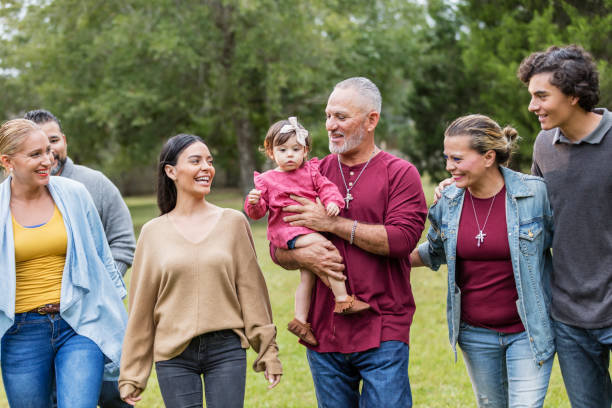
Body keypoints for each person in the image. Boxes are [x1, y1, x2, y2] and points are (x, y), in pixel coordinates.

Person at [272, 77, 427, 407]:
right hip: (324, 332)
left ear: (372, 120)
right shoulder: (311, 171)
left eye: (341, 117)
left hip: (383, 326)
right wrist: (304, 256)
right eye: (328, 116)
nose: (330, 125)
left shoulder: (401, 174)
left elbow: (400, 240)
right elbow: (277, 248)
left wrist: (332, 224)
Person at [119, 134, 282, 407]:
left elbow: (252, 292)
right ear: (171, 171)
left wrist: (268, 352)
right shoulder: (152, 233)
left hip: (226, 349)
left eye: (209, 161)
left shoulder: (233, 223)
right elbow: (141, 310)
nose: (206, 167)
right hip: (173, 355)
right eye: (195, 161)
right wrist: (132, 374)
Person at [410, 114, 555, 407]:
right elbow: (435, 251)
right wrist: (385, 255)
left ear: (488, 157)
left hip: (528, 331)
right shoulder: (447, 201)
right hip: (475, 335)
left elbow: (562, 248)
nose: (449, 166)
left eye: (458, 158)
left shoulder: (534, 193)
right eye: (447, 158)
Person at [0, 119, 128, 407]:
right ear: (7, 161)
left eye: (47, 150)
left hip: (78, 323)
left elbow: (102, 257)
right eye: (35, 155)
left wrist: (114, 312)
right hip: (21, 332)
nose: (47, 160)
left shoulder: (74, 195)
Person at [517, 44, 612, 408]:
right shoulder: (544, 145)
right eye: (531, 96)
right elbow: (533, 214)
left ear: (573, 95)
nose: (532, 106)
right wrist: (459, 185)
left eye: (542, 96)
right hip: (569, 314)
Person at [245, 116, 370, 346]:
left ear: (305, 150)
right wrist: (253, 202)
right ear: (271, 152)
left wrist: (333, 202)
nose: (290, 154)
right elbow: (258, 212)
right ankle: (342, 299)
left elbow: (327, 188)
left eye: (296, 149)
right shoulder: (267, 180)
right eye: (282, 150)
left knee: (308, 276)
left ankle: (300, 321)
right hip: (287, 231)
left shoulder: (311, 172)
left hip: (307, 228)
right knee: (327, 249)